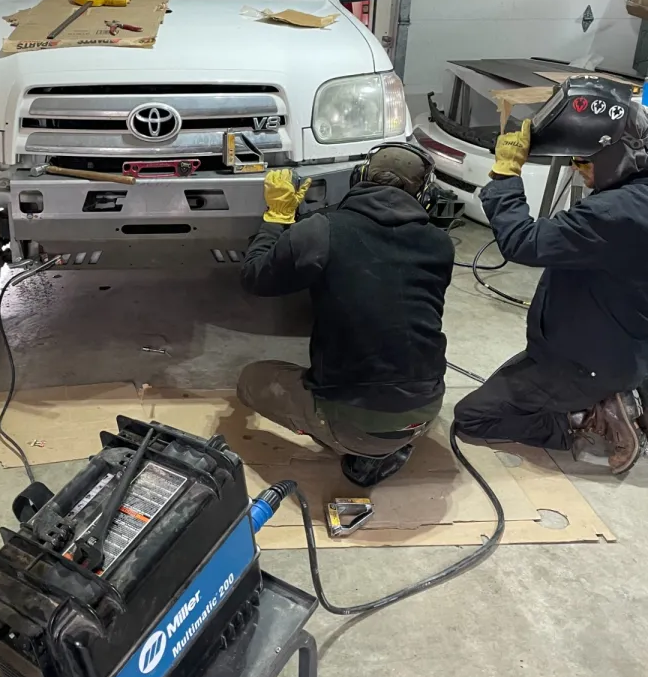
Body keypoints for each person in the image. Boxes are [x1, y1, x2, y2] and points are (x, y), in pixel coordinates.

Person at [238, 145, 455, 487]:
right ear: (424, 194)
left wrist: (278, 219)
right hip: (427, 405)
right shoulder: (440, 244)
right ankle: (387, 441)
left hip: (353, 423)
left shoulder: (322, 230)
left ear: (359, 178)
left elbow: (254, 276)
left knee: (252, 379)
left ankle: (358, 444)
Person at [454, 100, 648, 474]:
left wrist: (505, 174)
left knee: (473, 417)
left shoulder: (614, 213)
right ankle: (611, 390)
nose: (578, 172)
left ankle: (577, 421)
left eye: (583, 162)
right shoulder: (635, 195)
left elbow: (523, 241)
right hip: (618, 343)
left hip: (586, 361)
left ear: (615, 157)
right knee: (511, 385)